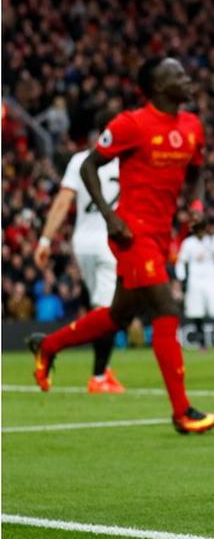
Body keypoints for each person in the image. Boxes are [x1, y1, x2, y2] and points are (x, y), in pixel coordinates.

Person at [27, 57, 214, 434]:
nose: (187, 79)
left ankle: (48, 346)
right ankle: (182, 412)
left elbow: (197, 173)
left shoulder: (192, 125)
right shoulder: (131, 124)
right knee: (166, 307)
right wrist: (109, 216)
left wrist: (197, 206)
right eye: (178, 75)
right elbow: (88, 166)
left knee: (118, 315)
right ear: (158, 87)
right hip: (131, 233)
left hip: (161, 234)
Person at [33, 112, 126, 392]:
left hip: (82, 242)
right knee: (109, 313)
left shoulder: (80, 160)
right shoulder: (126, 160)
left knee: (102, 307)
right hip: (110, 240)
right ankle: (97, 376)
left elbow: (63, 202)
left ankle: (101, 370)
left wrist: (45, 240)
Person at [175, 219, 214, 351]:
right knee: (196, 311)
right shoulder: (188, 243)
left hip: (211, 280)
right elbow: (181, 261)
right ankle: (202, 343)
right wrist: (181, 279)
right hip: (195, 281)